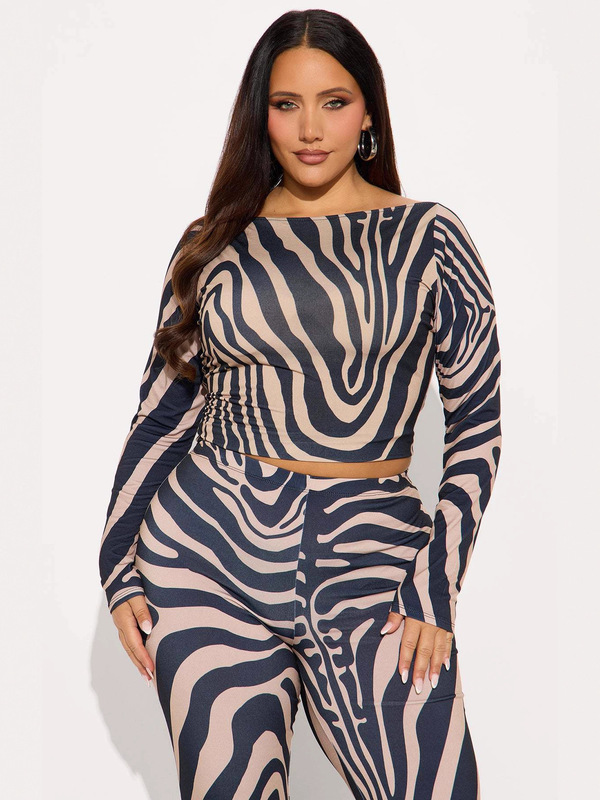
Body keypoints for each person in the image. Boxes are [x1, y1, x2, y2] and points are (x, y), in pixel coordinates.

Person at [98, 9, 502, 800]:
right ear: (262, 116)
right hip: (208, 553)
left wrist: (435, 582)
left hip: (373, 555)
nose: (311, 129)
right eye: (287, 105)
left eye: (334, 102)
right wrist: (116, 563)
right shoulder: (213, 243)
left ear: (368, 113)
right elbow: (161, 414)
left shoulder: (429, 239)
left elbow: (477, 425)